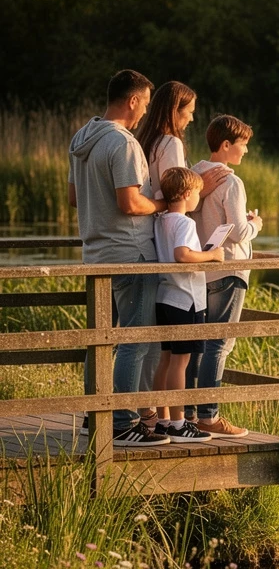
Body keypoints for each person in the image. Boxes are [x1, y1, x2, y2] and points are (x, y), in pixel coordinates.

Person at [68, 69, 170, 446]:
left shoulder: (82, 137)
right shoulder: (122, 143)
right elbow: (130, 203)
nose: (145, 110)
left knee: (101, 340)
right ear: (132, 100)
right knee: (135, 339)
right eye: (144, 102)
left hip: (96, 254)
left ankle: (93, 417)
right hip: (131, 253)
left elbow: (74, 199)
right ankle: (123, 422)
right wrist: (162, 204)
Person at [134, 81, 227, 424]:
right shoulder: (169, 142)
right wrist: (203, 192)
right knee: (178, 359)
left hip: (155, 259)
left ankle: (152, 413)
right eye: (188, 112)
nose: (190, 120)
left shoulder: (147, 140)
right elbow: (175, 187)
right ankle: (176, 419)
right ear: (175, 110)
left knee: (160, 354)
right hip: (182, 292)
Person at [189, 114, 264, 438]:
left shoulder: (194, 173)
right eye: (243, 145)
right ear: (226, 145)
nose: (246, 151)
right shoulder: (231, 181)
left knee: (200, 343)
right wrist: (256, 224)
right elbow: (237, 232)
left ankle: (190, 411)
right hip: (229, 268)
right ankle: (209, 415)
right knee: (218, 344)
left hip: (201, 271)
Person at [152, 167, 225, 441]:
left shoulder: (160, 220)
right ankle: (179, 423)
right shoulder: (184, 222)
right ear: (185, 194)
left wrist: (200, 254)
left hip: (165, 296)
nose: (198, 197)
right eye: (196, 192)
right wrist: (213, 256)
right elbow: (182, 255)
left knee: (166, 361)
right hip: (186, 299)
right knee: (180, 363)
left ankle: (163, 420)